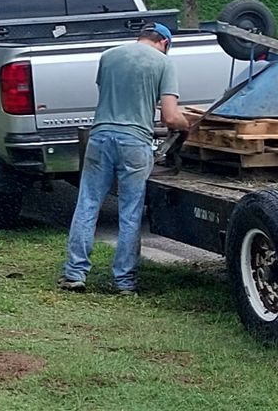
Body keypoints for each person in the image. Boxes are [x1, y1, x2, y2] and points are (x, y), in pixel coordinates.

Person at [61, 18, 194, 294]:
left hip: (100, 137)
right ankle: (124, 281)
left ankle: (75, 273)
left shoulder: (109, 56)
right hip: (134, 142)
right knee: (130, 212)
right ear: (164, 43)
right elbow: (170, 116)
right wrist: (187, 124)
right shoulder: (163, 63)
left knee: (87, 204)